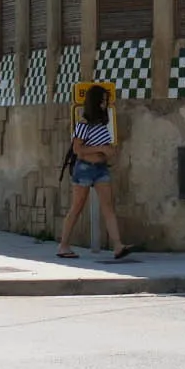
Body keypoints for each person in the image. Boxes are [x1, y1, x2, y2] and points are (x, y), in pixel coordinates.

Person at [57, 84, 135, 260]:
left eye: (106, 101)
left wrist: (108, 151)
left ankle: (118, 246)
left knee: (108, 207)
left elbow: (105, 146)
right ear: (95, 102)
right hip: (84, 169)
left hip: (100, 169)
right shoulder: (83, 124)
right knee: (76, 208)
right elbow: (78, 149)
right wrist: (100, 148)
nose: (105, 104)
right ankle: (63, 245)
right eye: (103, 100)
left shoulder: (102, 123)